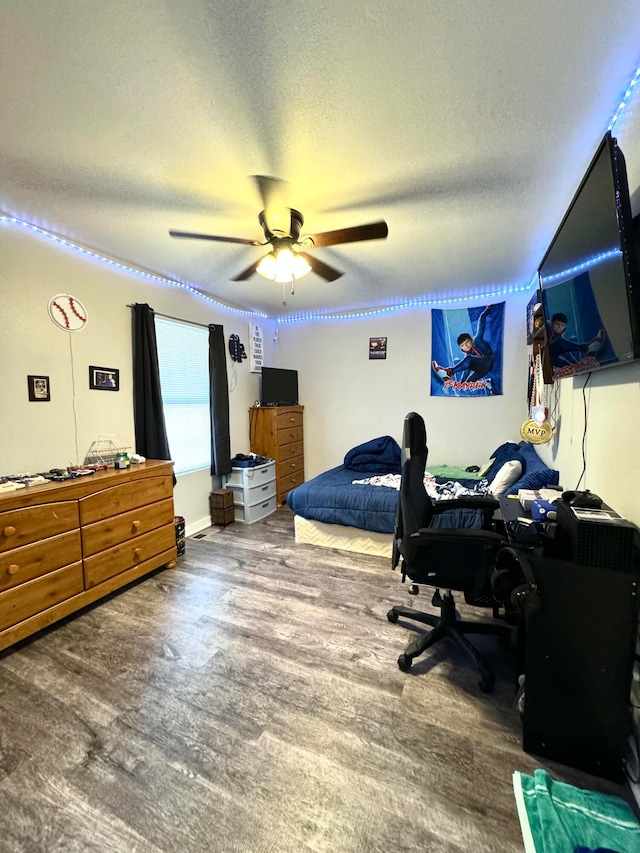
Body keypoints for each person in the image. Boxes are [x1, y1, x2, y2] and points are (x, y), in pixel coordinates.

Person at [432, 304, 495, 382]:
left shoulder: (477, 339)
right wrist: (461, 383)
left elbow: (481, 324)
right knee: (468, 382)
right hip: (482, 370)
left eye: (467, 342)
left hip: (488, 360)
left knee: (469, 359)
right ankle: (489, 384)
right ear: (461, 348)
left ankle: (448, 372)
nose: (466, 346)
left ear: (471, 340)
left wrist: (485, 312)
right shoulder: (468, 356)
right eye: (463, 345)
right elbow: (466, 369)